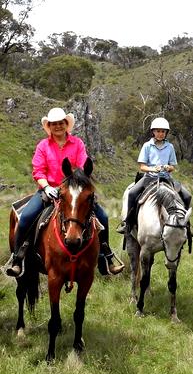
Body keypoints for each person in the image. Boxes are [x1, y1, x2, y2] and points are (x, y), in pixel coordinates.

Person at [3, 107, 124, 277]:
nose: (58, 126)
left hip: (73, 191)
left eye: (61, 123)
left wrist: (76, 183)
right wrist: (46, 187)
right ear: (49, 126)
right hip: (48, 190)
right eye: (54, 124)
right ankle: (17, 258)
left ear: (66, 124)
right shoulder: (43, 146)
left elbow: (82, 166)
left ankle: (106, 257)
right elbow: (38, 170)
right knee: (26, 218)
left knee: (102, 217)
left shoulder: (77, 144)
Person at [116, 117, 192, 234]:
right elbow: (142, 166)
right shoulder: (147, 146)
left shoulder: (170, 147)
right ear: (153, 132)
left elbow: (173, 166)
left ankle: (185, 224)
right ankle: (128, 223)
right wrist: (152, 169)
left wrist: (168, 167)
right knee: (132, 193)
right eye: (158, 131)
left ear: (166, 133)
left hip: (166, 178)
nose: (160, 134)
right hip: (149, 178)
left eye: (163, 131)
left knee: (187, 196)